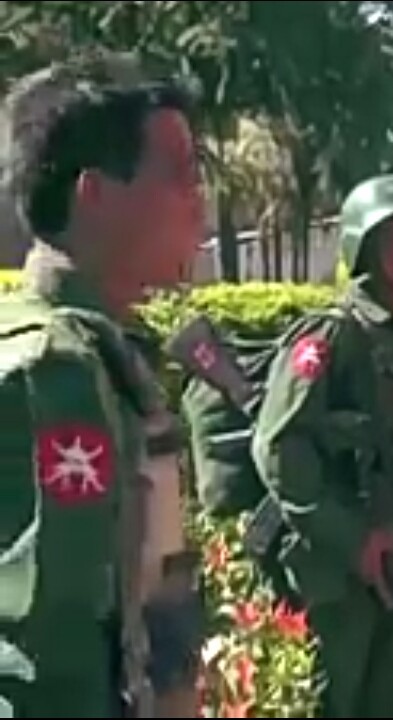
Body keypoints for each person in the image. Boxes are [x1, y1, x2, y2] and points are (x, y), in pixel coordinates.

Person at [0, 51, 205, 716]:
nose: (199, 201)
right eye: (179, 174)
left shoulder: (105, 348)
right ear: (94, 194)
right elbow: (51, 655)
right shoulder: (56, 370)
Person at [251, 173, 393, 717]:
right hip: (330, 570)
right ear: (364, 246)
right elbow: (278, 446)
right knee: (331, 701)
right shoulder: (331, 334)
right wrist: (353, 539)